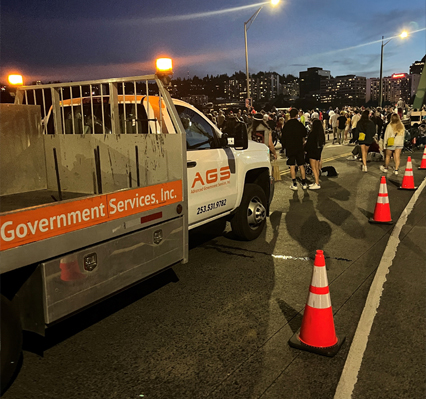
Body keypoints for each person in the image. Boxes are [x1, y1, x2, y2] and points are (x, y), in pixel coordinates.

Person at [281, 108, 308, 190]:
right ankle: (304, 183)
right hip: (299, 146)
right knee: (301, 165)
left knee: (292, 165)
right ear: (296, 115)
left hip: (290, 147)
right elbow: (305, 133)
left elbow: (283, 138)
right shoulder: (299, 124)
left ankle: (294, 183)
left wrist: (284, 146)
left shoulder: (287, 125)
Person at [305, 119, 325, 189]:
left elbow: (308, 144)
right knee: (316, 168)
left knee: (313, 168)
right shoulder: (321, 134)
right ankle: (316, 182)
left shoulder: (312, 134)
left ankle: (317, 183)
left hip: (312, 152)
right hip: (318, 153)